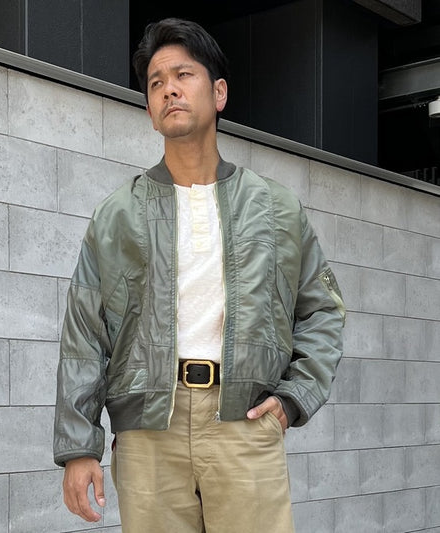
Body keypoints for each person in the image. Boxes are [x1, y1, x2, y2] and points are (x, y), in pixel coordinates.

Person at [54, 17, 345, 533]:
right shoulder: (117, 215)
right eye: (156, 83)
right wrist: (80, 446)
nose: (169, 89)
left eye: (183, 75)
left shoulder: (275, 208)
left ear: (219, 92)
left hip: (245, 423)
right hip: (148, 433)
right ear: (149, 110)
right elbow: (84, 332)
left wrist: (292, 398)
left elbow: (322, 311)